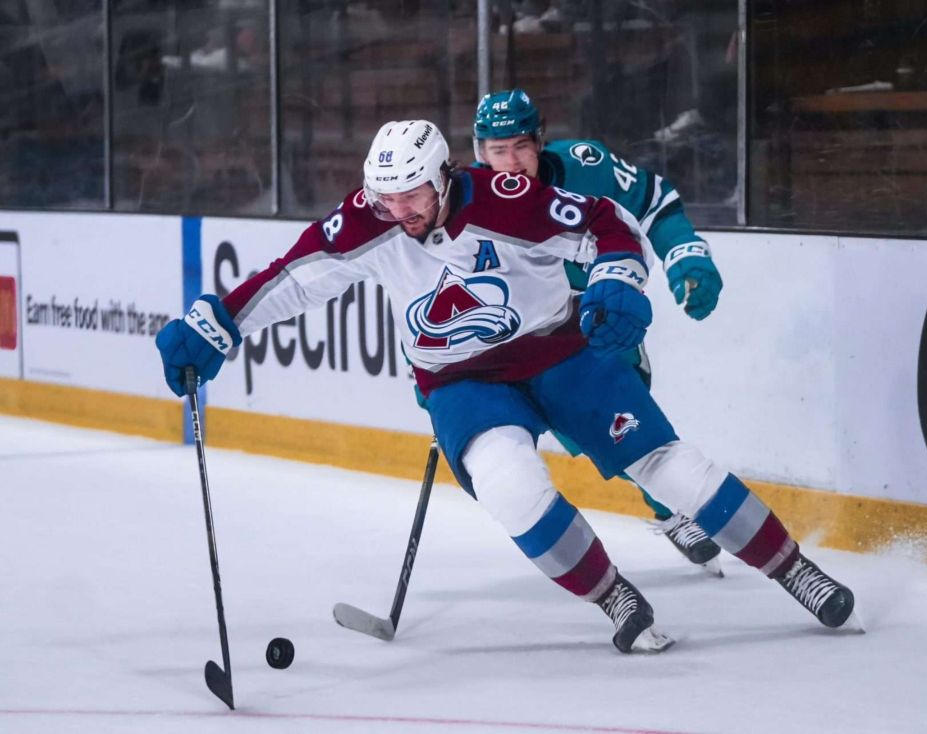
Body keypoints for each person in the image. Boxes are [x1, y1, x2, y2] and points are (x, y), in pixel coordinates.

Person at [155, 119, 856, 654]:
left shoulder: (507, 198)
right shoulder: (367, 222)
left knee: (669, 467)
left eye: (411, 196)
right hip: (460, 380)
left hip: (559, 351)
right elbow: (290, 278)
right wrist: (216, 324)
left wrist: (617, 280)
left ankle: (794, 570)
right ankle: (613, 597)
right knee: (510, 483)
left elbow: (606, 226)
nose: (398, 211)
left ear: (443, 177)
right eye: (386, 197)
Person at [472, 88, 724, 569]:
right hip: (529, 339)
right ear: (480, 152)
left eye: (521, 146)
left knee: (630, 424)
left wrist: (685, 253)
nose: (510, 162)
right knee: (596, 433)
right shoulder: (467, 202)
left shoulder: (585, 165)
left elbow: (655, 202)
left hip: (600, 316)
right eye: (497, 150)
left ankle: (669, 506)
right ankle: (669, 509)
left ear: (540, 141)